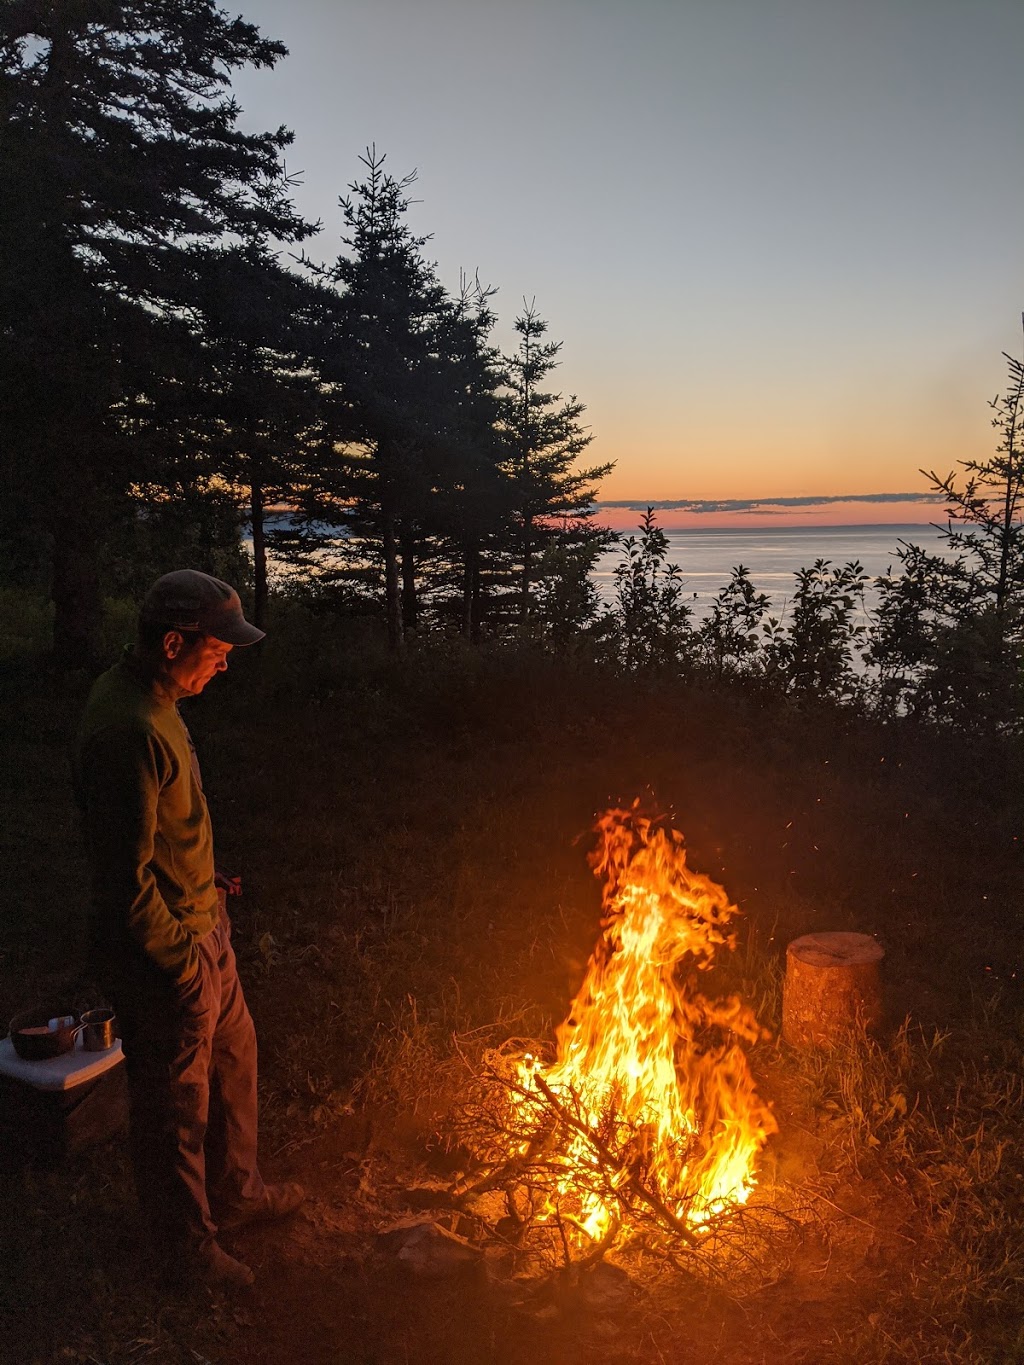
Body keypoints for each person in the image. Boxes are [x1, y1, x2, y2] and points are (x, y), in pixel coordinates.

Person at [74, 570, 304, 1291]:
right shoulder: (129, 730)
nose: (226, 660)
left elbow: (168, 828)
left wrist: (208, 889)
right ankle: (184, 1249)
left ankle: (236, 1194)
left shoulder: (159, 697)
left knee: (235, 1060)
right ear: (174, 642)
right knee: (176, 1102)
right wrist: (178, 962)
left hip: (206, 926)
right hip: (168, 952)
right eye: (216, 647)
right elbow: (124, 884)